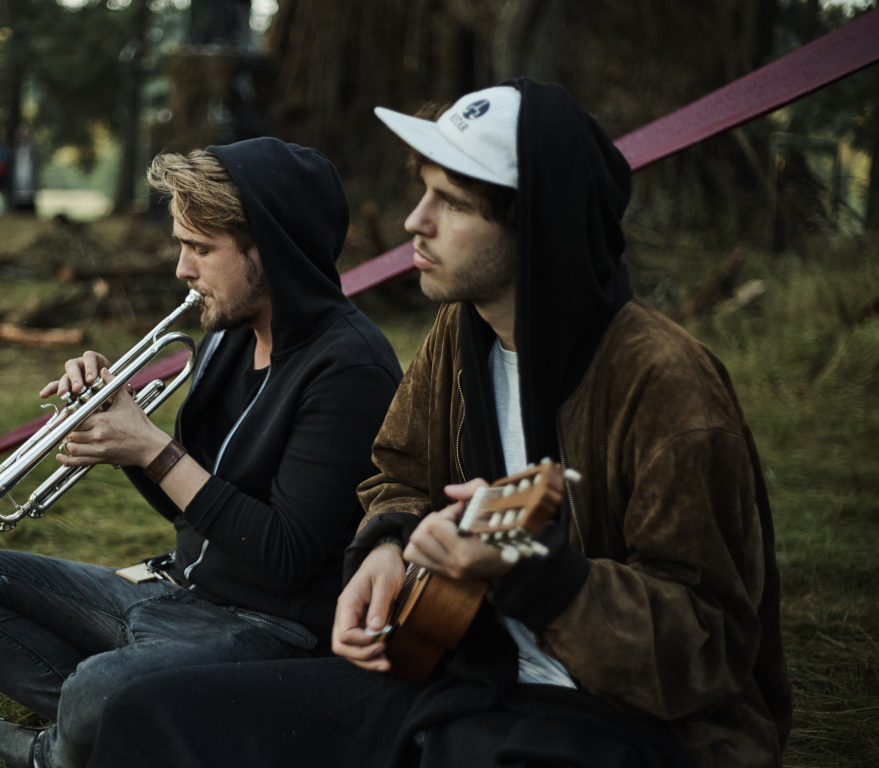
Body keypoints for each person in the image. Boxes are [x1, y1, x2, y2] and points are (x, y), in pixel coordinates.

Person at [82, 79, 792, 768]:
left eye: (451, 203)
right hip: (455, 673)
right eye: (424, 192)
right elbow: (397, 473)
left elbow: (711, 643)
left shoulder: (666, 382)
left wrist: (541, 578)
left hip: (614, 718)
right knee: (145, 716)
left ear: (535, 224)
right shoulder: (460, 334)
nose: (414, 222)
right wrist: (386, 545)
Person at [0, 137, 403, 768]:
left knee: (100, 687)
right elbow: (190, 503)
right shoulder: (230, 334)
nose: (181, 269)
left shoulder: (349, 368)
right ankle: (122, 722)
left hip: (269, 630)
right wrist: (119, 431)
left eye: (201, 248)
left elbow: (284, 558)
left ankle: (49, 751)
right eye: (181, 244)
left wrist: (153, 449)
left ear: (271, 250)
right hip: (179, 591)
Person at [10, 123, 40, 215]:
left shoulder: (32, 148)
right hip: (18, 177)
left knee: (28, 196)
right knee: (19, 197)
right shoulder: (15, 149)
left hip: (29, 177)